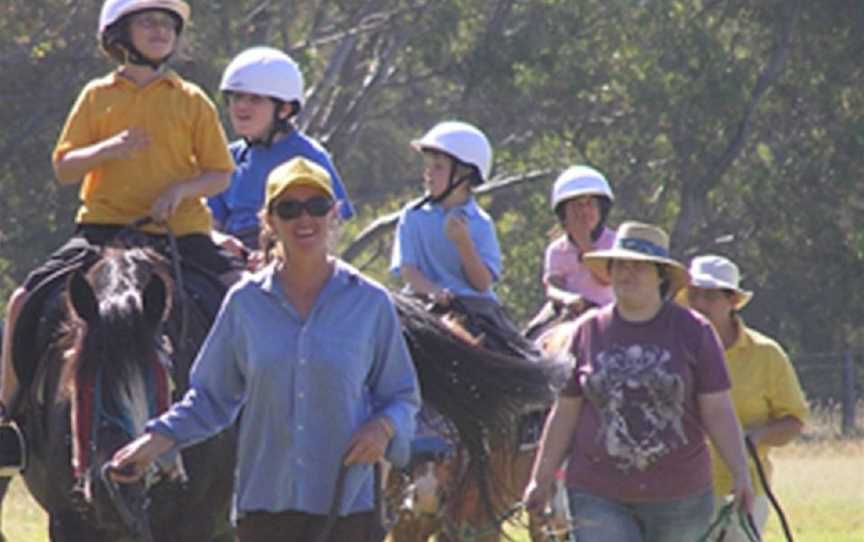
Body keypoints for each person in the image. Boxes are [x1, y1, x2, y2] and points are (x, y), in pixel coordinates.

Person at [109, 157, 421, 542]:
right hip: (265, 511)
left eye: (317, 206)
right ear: (269, 221)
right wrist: (152, 442)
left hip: (349, 510)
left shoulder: (370, 303)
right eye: (288, 209)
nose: (304, 219)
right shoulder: (244, 304)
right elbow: (211, 398)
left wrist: (383, 427)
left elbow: (403, 397)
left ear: (335, 213)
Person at [0, 0, 238, 468]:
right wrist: (107, 148)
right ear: (119, 34)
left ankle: (255, 414)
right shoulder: (96, 95)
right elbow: (64, 168)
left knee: (243, 298)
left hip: (180, 234)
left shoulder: (192, 99)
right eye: (148, 22)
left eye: (169, 24)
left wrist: (182, 189)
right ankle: (8, 417)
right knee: (23, 301)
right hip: (102, 233)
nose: (161, 30)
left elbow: (219, 173)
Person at [523, 221, 755, 542]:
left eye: (639, 266)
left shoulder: (694, 331)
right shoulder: (587, 332)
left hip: (680, 494)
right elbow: (565, 412)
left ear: (660, 275)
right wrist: (541, 477)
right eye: (620, 265)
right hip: (597, 492)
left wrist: (741, 473)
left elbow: (717, 410)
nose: (627, 273)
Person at [680, 254, 808, 541]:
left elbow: (794, 420)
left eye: (710, 296)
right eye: (694, 295)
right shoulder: (672, 350)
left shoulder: (766, 354)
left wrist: (757, 436)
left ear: (732, 301)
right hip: (680, 493)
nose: (699, 304)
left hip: (744, 490)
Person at [208, 46, 354, 255]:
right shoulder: (227, 157)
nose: (241, 107)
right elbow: (211, 222)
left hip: (291, 257)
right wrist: (220, 240)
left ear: (284, 109)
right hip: (232, 259)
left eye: (255, 99)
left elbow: (332, 226)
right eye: (237, 97)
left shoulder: (309, 157)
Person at [390, 120, 521, 345]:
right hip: (420, 302)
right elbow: (408, 270)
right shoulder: (412, 215)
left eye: (438, 167)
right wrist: (433, 292)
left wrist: (464, 244)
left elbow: (482, 284)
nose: (428, 174)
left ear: (463, 175)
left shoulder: (480, 223)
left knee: (519, 360)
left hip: (475, 309)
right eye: (427, 165)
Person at [525, 165, 616, 336]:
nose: (583, 211)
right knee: (531, 336)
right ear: (563, 213)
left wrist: (585, 244)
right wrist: (567, 298)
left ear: (601, 209)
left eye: (589, 204)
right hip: (568, 311)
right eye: (576, 206)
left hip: (607, 309)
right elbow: (552, 286)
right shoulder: (557, 249)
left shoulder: (614, 243)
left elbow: (606, 279)